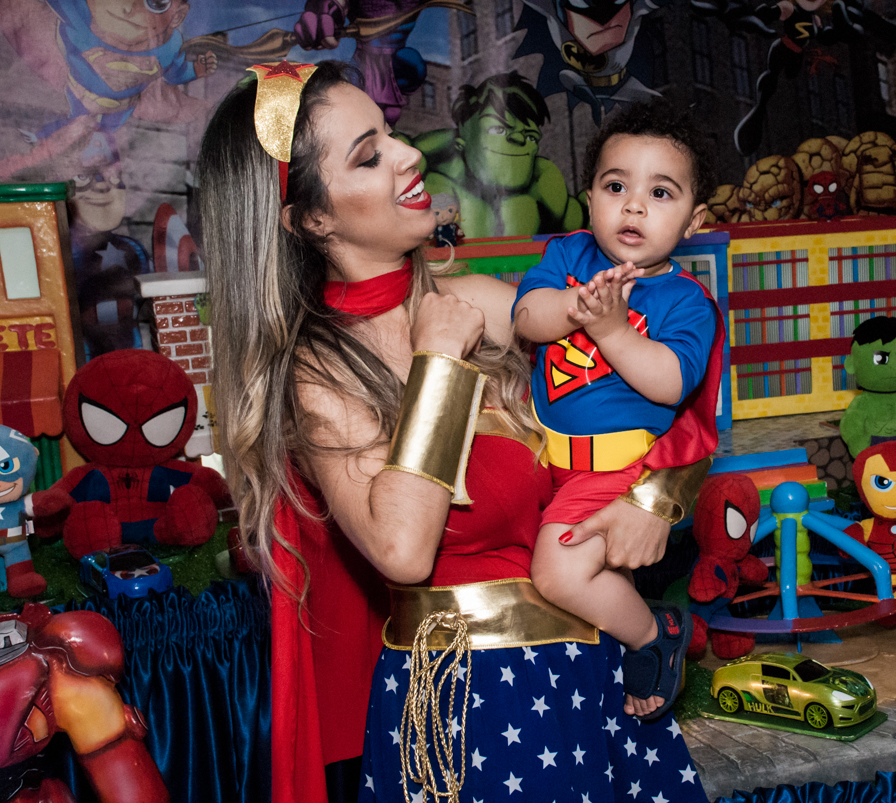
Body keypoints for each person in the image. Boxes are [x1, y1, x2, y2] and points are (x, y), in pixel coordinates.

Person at [197, 61, 711, 802]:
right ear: (311, 218)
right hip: (463, 710)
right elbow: (401, 550)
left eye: (391, 133)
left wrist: (657, 495)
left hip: (592, 684)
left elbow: (671, 372)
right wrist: (438, 362)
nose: (409, 154)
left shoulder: (487, 303)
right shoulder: (315, 374)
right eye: (368, 155)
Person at [512, 102, 720, 721]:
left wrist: (613, 331)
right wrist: (577, 307)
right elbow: (526, 317)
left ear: (694, 219)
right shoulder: (569, 256)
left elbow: (672, 382)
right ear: (589, 196)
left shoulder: (686, 300)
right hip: (546, 456)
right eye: (616, 186)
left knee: (558, 571)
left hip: (619, 470)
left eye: (660, 192)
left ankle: (655, 635)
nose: (634, 206)